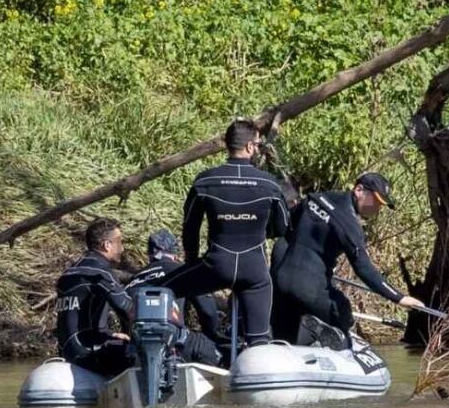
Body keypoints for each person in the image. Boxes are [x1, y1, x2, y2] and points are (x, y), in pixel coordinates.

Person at [164, 120, 290, 349]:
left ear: (228, 145)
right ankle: (258, 363)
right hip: (255, 272)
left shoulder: (206, 181)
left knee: (162, 290)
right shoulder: (270, 185)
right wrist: (261, 228)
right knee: (259, 338)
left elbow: (190, 227)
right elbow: (282, 228)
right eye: (258, 145)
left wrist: (192, 261)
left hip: (215, 267)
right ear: (251, 147)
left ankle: (170, 349)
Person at [271, 172, 425, 350]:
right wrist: (399, 298)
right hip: (310, 290)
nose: (376, 208)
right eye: (375, 201)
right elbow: (364, 269)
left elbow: (286, 230)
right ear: (359, 190)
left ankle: (294, 336)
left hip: (280, 280)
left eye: (380, 204)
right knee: (345, 314)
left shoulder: (315, 199)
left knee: (284, 335)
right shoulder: (350, 226)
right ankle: (313, 329)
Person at [126, 229, 222, 366]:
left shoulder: (133, 280)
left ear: (149, 254)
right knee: (209, 349)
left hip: (136, 348)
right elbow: (208, 312)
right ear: (175, 253)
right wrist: (213, 335)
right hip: (176, 344)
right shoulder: (182, 272)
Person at [54, 218, 135, 378]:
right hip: (88, 353)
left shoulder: (70, 273)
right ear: (107, 245)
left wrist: (108, 336)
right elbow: (127, 310)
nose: (122, 248)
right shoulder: (101, 272)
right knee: (141, 352)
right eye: (120, 242)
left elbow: (80, 321)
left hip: (68, 350)